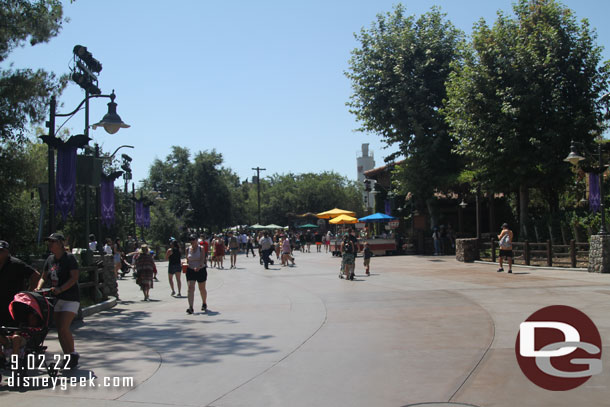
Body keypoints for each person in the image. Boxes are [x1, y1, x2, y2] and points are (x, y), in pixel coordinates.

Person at [36, 232, 80, 369]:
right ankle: (67, 356)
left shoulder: (69, 258)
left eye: (52, 242)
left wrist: (61, 289)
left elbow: (74, 278)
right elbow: (44, 276)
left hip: (70, 298)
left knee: (63, 327)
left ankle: (72, 354)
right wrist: (39, 288)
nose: (50, 244)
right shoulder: (50, 259)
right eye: (49, 242)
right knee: (59, 331)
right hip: (56, 298)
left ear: (60, 243)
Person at [0, 240, 40, 328]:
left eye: (1, 251)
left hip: (13, 304)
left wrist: (29, 293)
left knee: (12, 330)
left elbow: (35, 275)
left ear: (7, 252)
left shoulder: (16, 264)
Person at [185, 234, 207, 314]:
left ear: (196, 240)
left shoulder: (201, 248)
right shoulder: (188, 249)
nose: (192, 241)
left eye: (193, 239)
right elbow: (187, 259)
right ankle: (191, 307)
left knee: (202, 288)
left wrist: (199, 266)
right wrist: (184, 263)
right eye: (190, 239)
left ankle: (204, 303)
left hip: (200, 269)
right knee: (190, 287)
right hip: (190, 269)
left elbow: (202, 259)